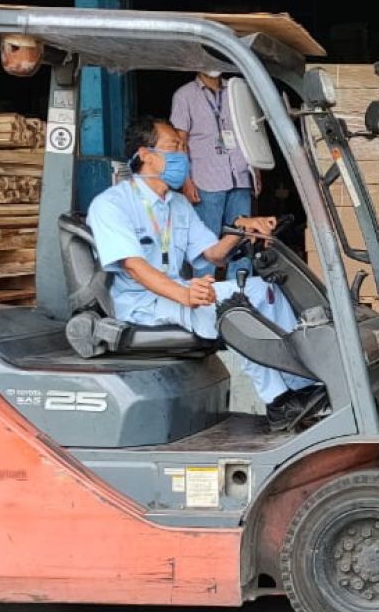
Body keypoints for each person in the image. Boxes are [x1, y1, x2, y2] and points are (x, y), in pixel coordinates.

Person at [87, 116, 320, 431]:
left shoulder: (178, 204)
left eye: (183, 147)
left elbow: (213, 254)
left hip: (178, 291)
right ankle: (278, 403)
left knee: (266, 289)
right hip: (142, 304)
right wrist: (184, 294)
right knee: (232, 307)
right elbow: (134, 266)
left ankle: (303, 382)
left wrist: (241, 227)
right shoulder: (112, 204)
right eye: (173, 147)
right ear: (145, 155)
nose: (182, 155)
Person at [171, 71, 256, 277]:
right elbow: (180, 142)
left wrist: (256, 168)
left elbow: (252, 130)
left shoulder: (237, 91)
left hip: (240, 175)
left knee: (242, 239)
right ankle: (204, 295)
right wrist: (186, 180)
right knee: (206, 243)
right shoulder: (184, 95)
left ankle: (239, 294)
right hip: (205, 180)